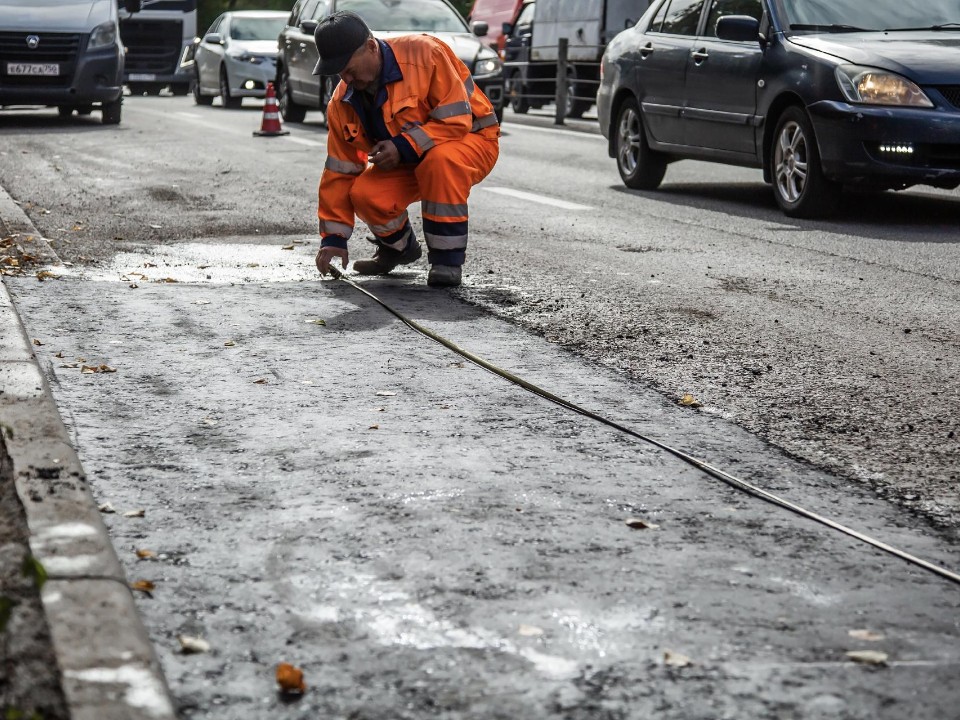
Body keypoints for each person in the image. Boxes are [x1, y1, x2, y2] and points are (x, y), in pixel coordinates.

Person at [312, 11, 500, 287]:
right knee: (365, 194)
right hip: (415, 158)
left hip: (471, 140)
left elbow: (457, 121)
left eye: (350, 69)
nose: (347, 79)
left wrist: (402, 147)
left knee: (440, 161)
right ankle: (399, 249)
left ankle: (446, 262)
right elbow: (340, 170)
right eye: (340, 73)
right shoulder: (342, 104)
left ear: (371, 47)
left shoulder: (425, 54)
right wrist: (333, 240)